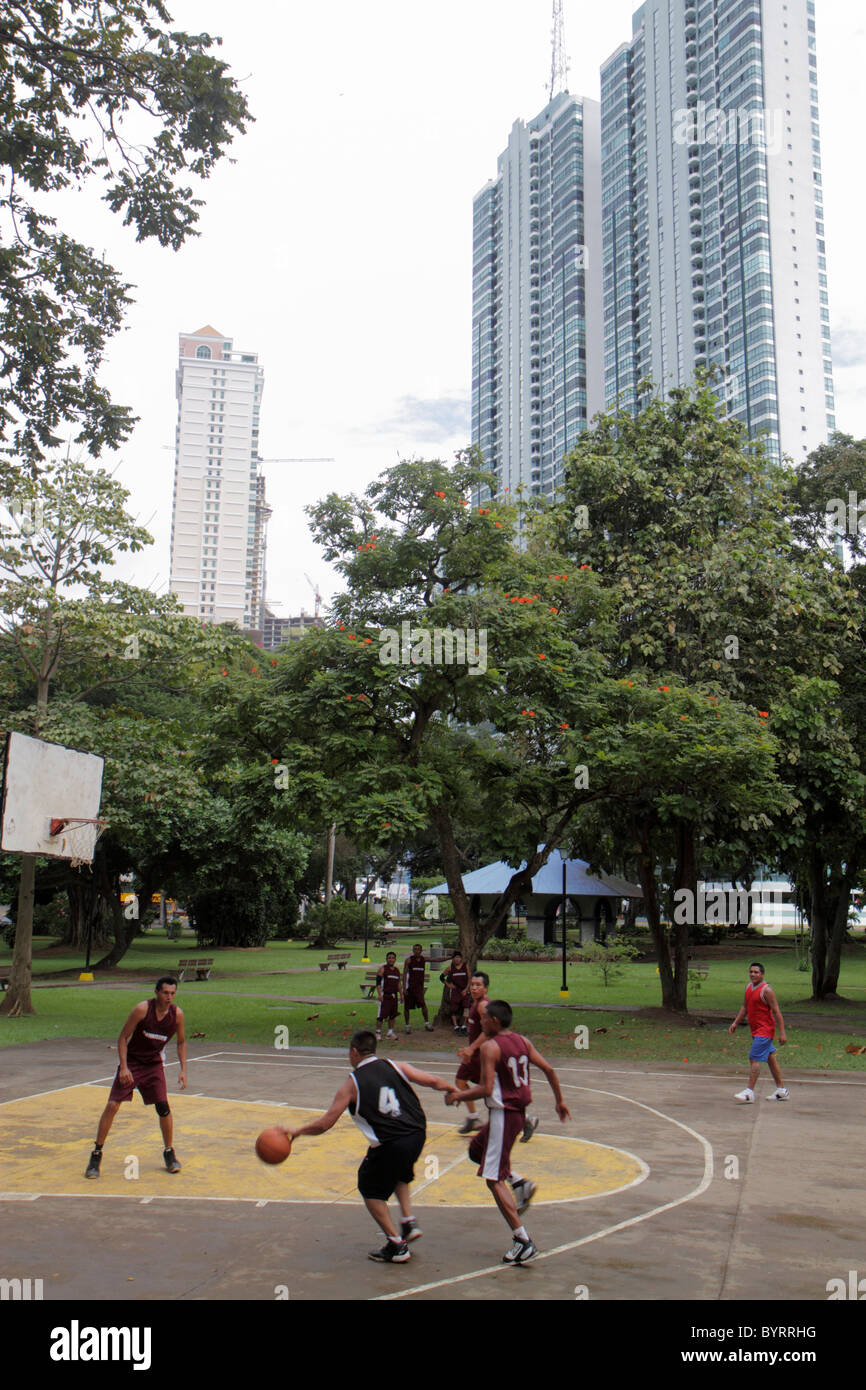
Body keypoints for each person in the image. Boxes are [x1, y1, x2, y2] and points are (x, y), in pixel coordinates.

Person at [281, 1030, 452, 1263]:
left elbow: (325, 1124)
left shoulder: (351, 1085)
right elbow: (432, 1081)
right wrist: (454, 1091)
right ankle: (408, 1222)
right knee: (400, 1174)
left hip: (392, 1143)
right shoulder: (396, 1065)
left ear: (353, 1052)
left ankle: (396, 1244)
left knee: (369, 1188)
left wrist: (297, 1132)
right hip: (417, 1134)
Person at [446, 999, 570, 1265]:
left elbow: (487, 1089)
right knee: (475, 1150)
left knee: (493, 1179)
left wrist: (459, 1094)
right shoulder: (522, 1042)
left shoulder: (491, 1048)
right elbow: (548, 1069)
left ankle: (522, 1240)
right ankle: (520, 1183)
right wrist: (559, 1101)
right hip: (516, 1114)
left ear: (495, 1021)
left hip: (504, 1115)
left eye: (484, 1018)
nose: (480, 1021)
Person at [85, 976, 187, 1178]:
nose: (169, 997)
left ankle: (169, 1152)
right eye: (165, 993)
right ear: (156, 992)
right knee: (113, 1104)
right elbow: (123, 1038)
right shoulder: (142, 1010)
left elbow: (182, 1042)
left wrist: (183, 1069)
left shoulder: (177, 1015)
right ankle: (96, 1154)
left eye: (172, 994)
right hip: (132, 1062)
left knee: (163, 1107)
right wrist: (124, 1067)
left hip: (153, 1064)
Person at [729, 961, 789, 1102]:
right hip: (755, 1030)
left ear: (762, 974)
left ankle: (749, 1092)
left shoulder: (766, 990)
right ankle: (781, 1090)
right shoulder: (749, 987)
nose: (753, 974)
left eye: (756, 972)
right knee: (770, 1058)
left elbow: (777, 1012)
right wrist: (735, 1022)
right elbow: (745, 1007)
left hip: (765, 1030)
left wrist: (782, 1033)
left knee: (754, 1058)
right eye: (751, 972)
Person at [402, 943, 434, 1034]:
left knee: (423, 1005)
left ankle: (427, 1023)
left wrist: (450, 958)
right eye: (415, 949)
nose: (416, 951)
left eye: (418, 949)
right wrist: (404, 988)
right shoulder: (409, 960)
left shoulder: (424, 959)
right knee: (407, 1007)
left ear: (421, 950)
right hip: (410, 987)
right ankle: (407, 1025)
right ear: (413, 950)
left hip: (419, 988)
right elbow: (404, 974)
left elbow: (436, 959)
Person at [441, 950, 469, 1034]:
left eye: (458, 958)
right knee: (453, 1009)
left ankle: (464, 1026)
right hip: (455, 991)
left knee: (466, 1007)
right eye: (455, 958)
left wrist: (466, 989)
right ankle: (456, 1026)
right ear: (453, 959)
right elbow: (441, 977)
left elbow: (470, 978)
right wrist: (448, 985)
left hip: (464, 990)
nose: (457, 959)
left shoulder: (465, 966)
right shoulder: (450, 968)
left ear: (461, 959)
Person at [376, 950, 402, 1041]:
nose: (391, 959)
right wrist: (379, 994)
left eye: (393, 958)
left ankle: (390, 1032)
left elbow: (399, 984)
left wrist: (401, 995)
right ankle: (378, 1033)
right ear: (387, 959)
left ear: (395, 959)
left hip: (394, 996)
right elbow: (378, 982)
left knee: (392, 1015)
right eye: (389, 958)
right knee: (381, 1016)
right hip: (385, 995)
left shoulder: (397, 971)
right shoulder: (383, 969)